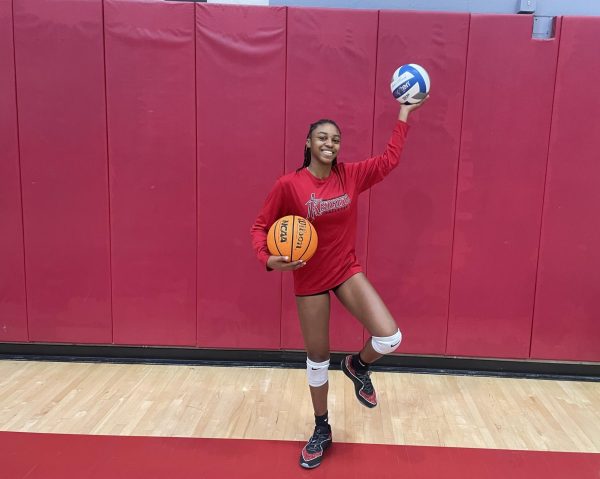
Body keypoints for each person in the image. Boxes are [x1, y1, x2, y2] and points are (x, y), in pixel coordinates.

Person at [250, 97, 428, 469]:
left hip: (346, 270)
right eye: (322, 138)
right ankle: (321, 428)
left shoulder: (351, 175)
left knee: (390, 337)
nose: (329, 144)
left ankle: (358, 365)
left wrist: (404, 115)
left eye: (335, 140)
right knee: (317, 360)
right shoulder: (289, 185)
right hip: (310, 277)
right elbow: (260, 228)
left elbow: (388, 161)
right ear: (308, 144)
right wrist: (269, 260)